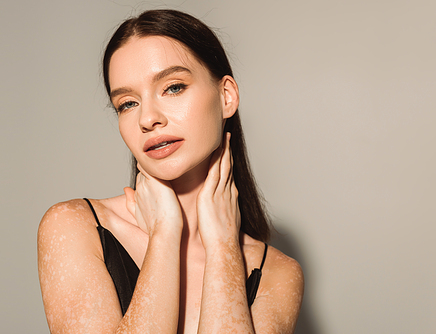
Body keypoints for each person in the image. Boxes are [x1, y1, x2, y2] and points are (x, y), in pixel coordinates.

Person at [38, 9, 304, 333]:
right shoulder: (73, 226)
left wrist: (223, 247)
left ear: (226, 96)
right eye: (127, 103)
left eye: (173, 87)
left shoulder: (277, 272)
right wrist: (164, 234)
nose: (147, 118)